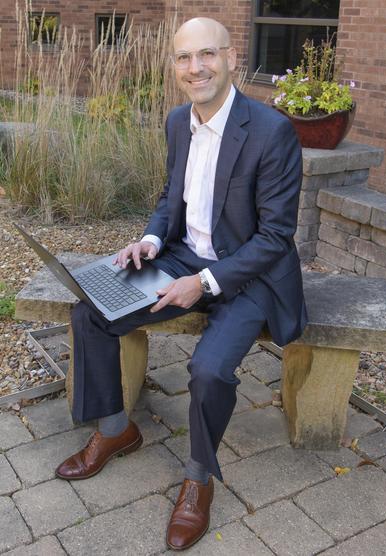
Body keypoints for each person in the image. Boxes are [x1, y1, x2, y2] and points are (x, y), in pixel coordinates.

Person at [55, 17, 307, 550]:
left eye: (208, 54)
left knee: (209, 370)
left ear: (232, 58)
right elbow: (173, 195)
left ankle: (198, 477)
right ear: (175, 67)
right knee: (90, 312)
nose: (196, 68)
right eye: (185, 58)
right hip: (179, 256)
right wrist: (149, 239)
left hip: (249, 275)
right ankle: (116, 428)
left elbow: (276, 236)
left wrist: (205, 282)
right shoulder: (177, 123)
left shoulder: (271, 130)